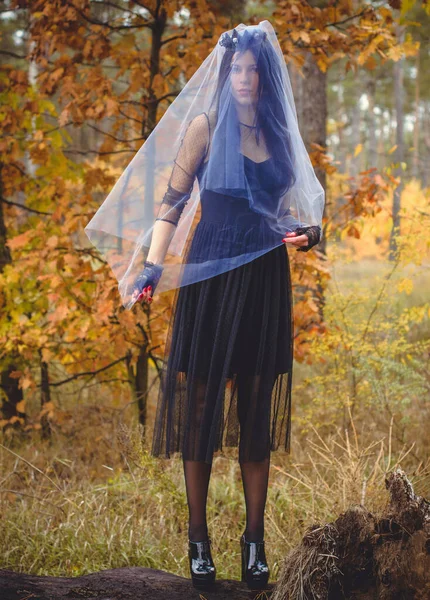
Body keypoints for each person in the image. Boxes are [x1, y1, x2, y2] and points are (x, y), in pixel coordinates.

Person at [85, 21, 324, 591]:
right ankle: (198, 542)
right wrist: (150, 265)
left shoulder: (280, 132)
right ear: (226, 72)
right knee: (201, 409)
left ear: (267, 77)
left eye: (254, 70)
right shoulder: (205, 124)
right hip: (211, 274)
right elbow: (171, 204)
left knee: (255, 410)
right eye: (236, 69)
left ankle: (255, 544)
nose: (245, 78)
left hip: (265, 278)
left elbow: (298, 207)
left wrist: (310, 235)